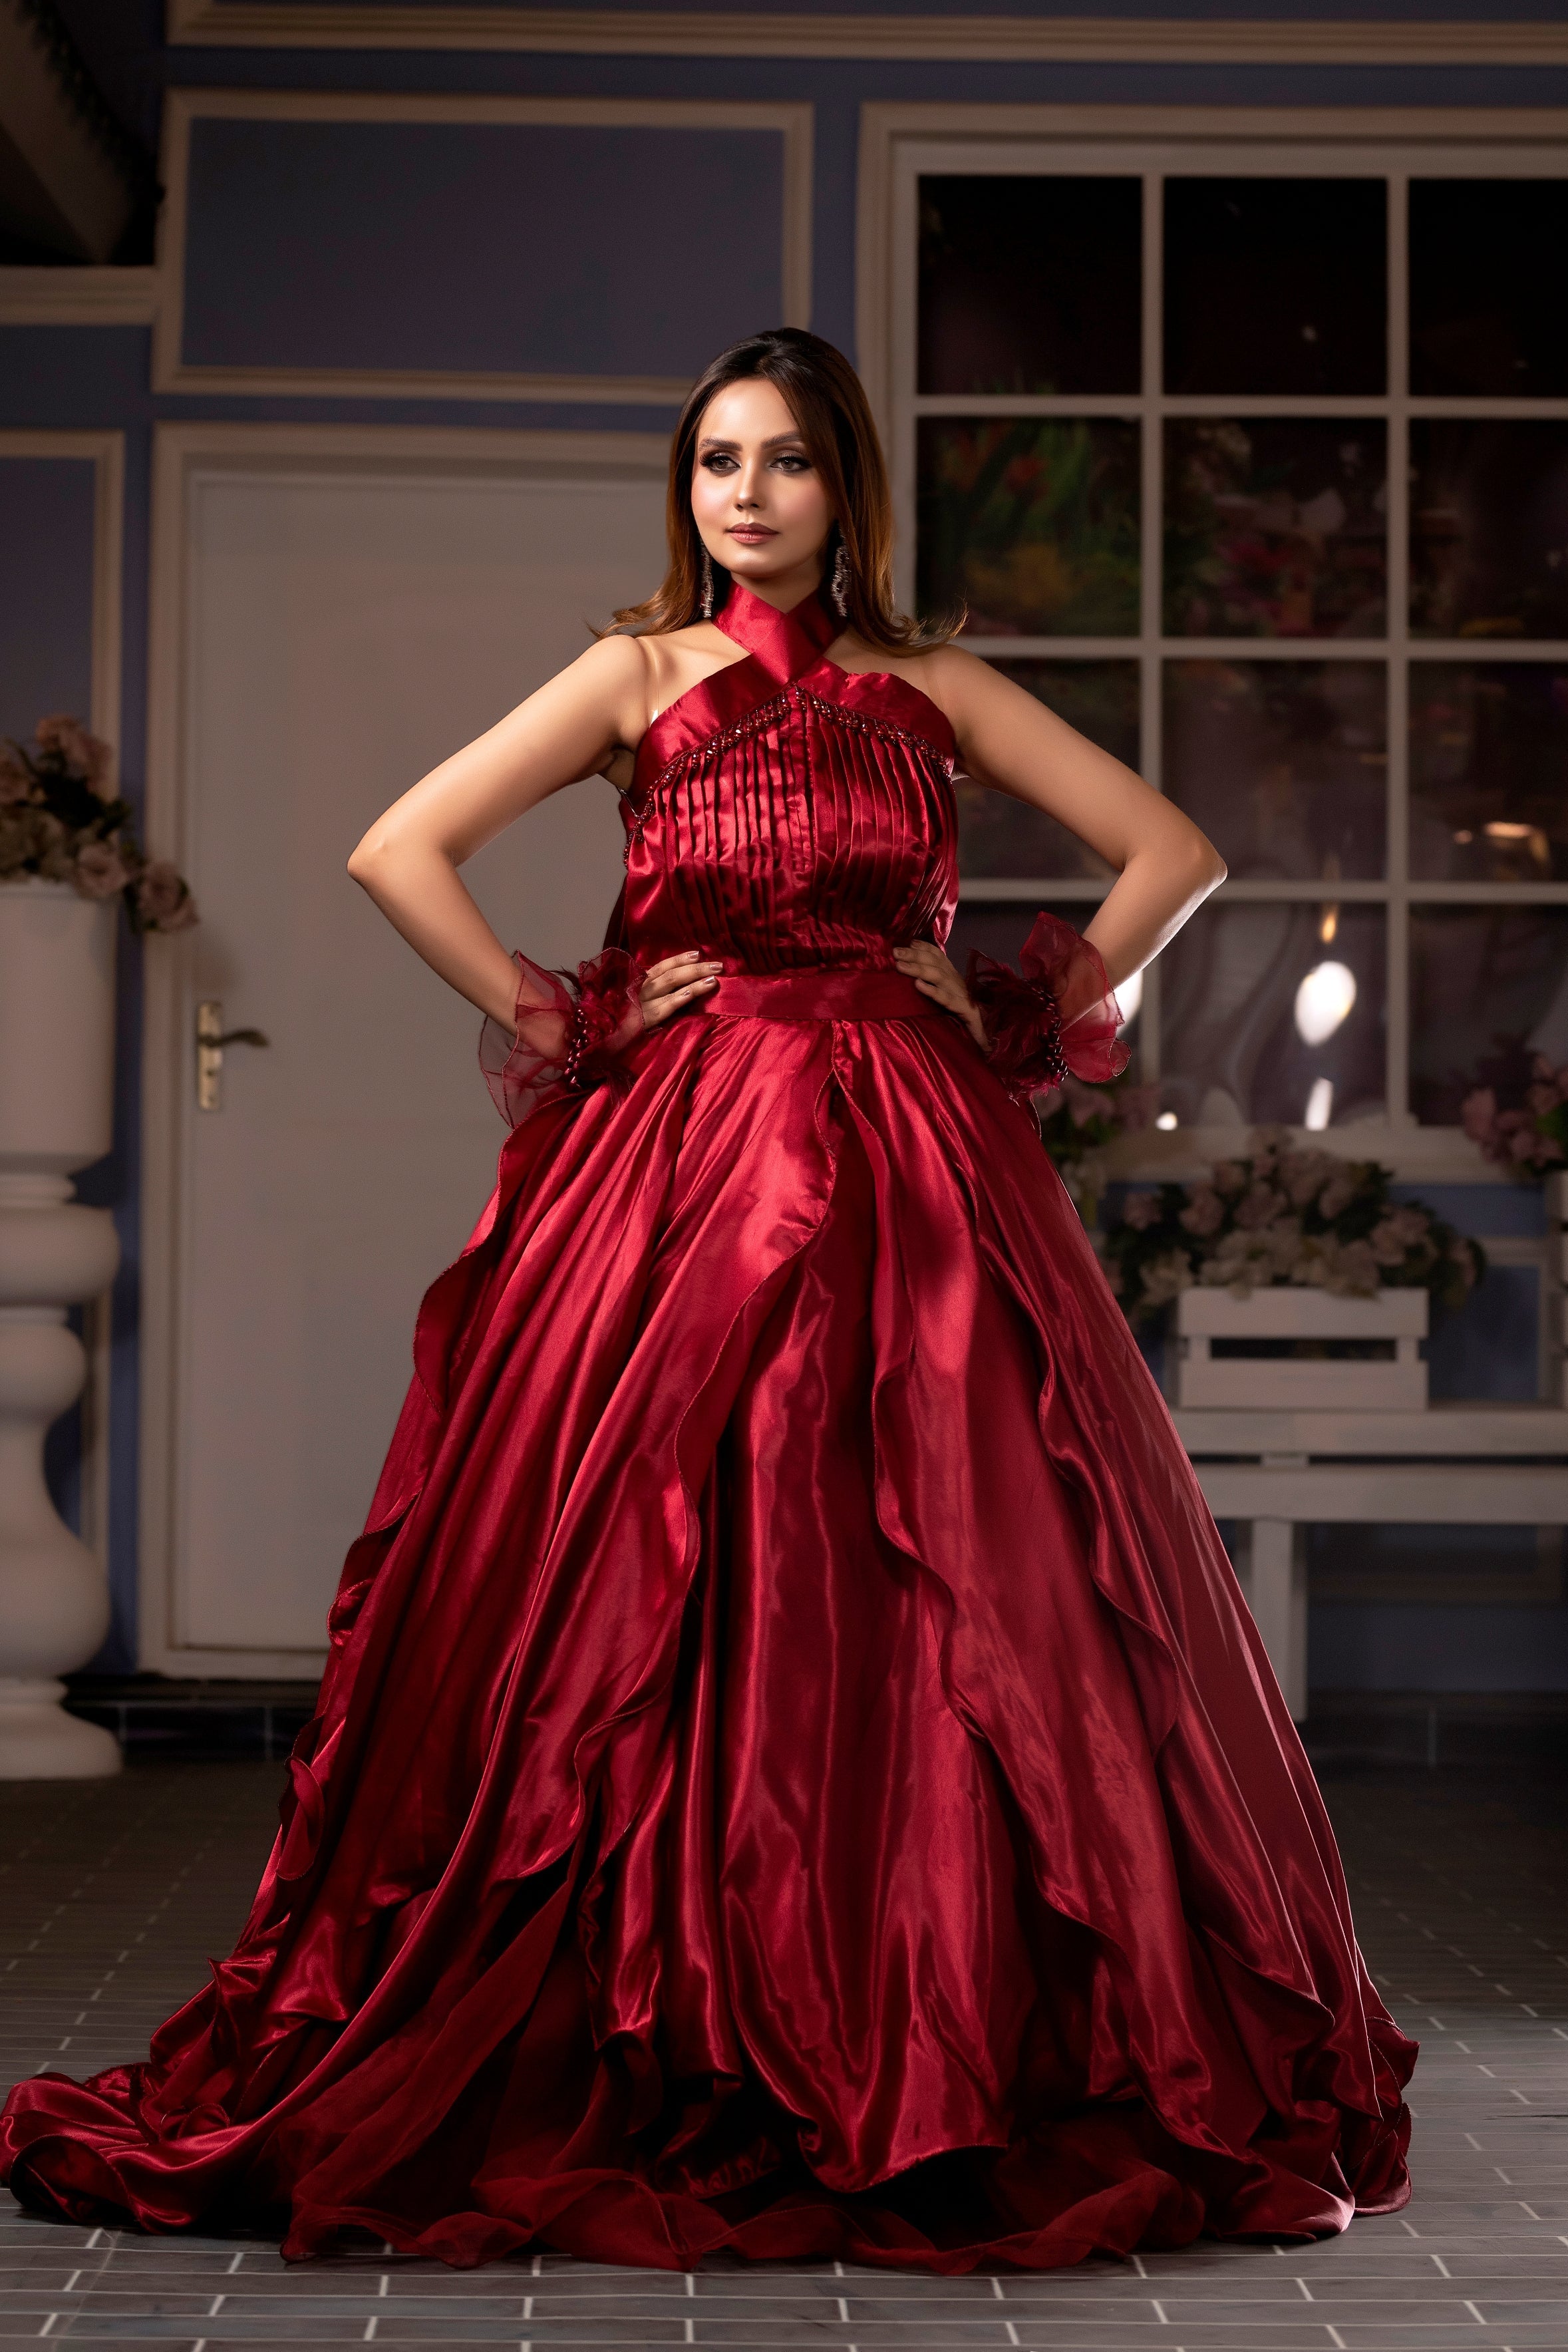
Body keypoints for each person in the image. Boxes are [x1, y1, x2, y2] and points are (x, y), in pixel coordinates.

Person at [0, 327, 1413, 2273]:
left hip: (917, 1171)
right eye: (715, 463)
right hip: (677, 1171)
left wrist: (1014, 1002)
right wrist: (550, 1007)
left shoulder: (932, 688)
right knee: (635, 1563)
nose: (744, 494)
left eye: (786, 464)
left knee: (958, 1565)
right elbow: (392, 849)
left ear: (850, 492)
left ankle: (939, 2011)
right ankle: (660, 2002)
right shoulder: (632, 673)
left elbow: (1177, 853)